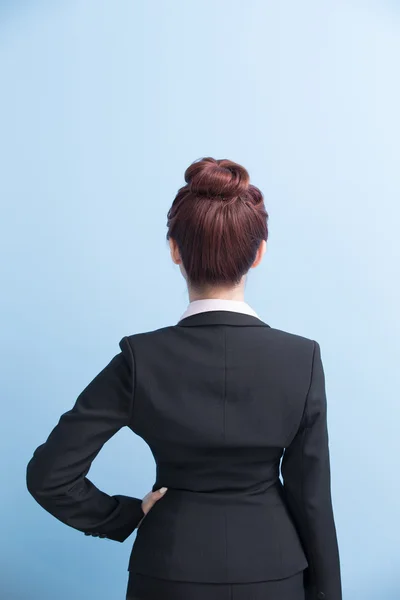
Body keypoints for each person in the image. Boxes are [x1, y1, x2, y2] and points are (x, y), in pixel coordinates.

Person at [26, 157, 342, 600]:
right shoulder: (302, 359)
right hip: (275, 572)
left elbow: (49, 475)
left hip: (168, 571)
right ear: (259, 252)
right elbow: (313, 500)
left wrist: (125, 515)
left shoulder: (140, 359)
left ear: (174, 249)